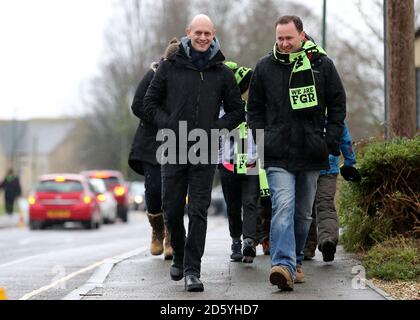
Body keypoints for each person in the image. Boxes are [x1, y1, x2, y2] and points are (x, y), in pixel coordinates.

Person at [143, 14, 244, 292]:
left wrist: (217, 127)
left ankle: (192, 270)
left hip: (206, 148)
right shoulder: (169, 68)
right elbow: (149, 103)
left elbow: (237, 111)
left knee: (198, 211)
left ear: (214, 35)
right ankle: (178, 248)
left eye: (207, 34)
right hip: (172, 146)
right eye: (197, 33)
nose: (202, 38)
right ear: (188, 32)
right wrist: (168, 123)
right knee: (173, 210)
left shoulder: (222, 72)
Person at [247, 15, 346, 291]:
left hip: (312, 152)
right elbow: (253, 109)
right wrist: (261, 138)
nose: (284, 43)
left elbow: (338, 104)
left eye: (289, 38)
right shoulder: (265, 67)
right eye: (280, 38)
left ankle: (296, 261)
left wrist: (330, 141)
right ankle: (283, 266)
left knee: (303, 214)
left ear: (302, 35)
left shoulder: (322, 66)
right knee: (283, 207)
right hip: (277, 153)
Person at [128, 38, 180, 260]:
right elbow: (137, 105)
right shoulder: (153, 73)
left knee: (173, 191)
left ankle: (170, 236)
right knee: (154, 189)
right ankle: (157, 229)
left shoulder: (185, 77)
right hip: (151, 143)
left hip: (177, 141)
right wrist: (160, 118)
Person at [218, 61, 260, 263]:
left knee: (251, 203)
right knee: (233, 206)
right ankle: (236, 240)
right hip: (228, 163)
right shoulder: (221, 108)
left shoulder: (256, 107)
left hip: (251, 162)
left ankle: (249, 242)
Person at [304, 122, 357, 262]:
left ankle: (308, 246)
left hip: (307, 166)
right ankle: (328, 240)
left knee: (306, 207)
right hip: (328, 168)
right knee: (325, 204)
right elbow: (345, 140)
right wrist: (349, 162)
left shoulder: (306, 112)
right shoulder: (334, 116)